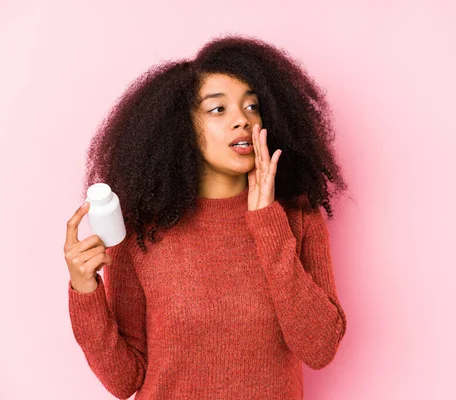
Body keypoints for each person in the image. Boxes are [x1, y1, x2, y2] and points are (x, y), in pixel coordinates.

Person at [63, 33, 349, 399]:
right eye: (218, 109)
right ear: (183, 127)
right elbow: (124, 380)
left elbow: (319, 348)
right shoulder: (143, 232)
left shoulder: (296, 218)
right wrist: (85, 291)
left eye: (252, 107)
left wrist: (267, 222)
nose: (242, 121)